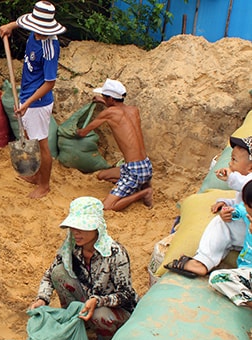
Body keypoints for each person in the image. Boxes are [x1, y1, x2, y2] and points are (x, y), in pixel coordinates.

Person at [29, 196, 137, 340]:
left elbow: (126, 295)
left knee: (100, 316)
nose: (76, 232)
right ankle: (78, 326)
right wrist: (42, 299)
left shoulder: (114, 253)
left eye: (82, 227)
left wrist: (97, 301)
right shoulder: (71, 248)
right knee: (59, 273)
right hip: (87, 302)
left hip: (113, 310)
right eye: (73, 227)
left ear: (96, 228)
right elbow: (49, 274)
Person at [0, 1, 65, 199]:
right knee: (31, 138)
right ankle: (36, 175)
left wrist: (27, 104)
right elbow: (25, 20)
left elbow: (49, 83)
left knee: (41, 144)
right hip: (27, 95)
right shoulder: (35, 30)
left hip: (38, 102)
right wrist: (10, 26)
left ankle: (44, 185)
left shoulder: (49, 48)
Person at [165, 136, 252, 278]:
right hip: (245, 233)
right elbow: (243, 200)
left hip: (247, 231)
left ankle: (202, 261)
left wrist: (231, 178)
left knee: (220, 225)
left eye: (234, 160)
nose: (230, 164)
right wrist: (227, 204)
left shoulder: (247, 181)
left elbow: (246, 186)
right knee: (223, 234)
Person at [76, 79, 152, 211]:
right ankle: (140, 185)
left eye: (105, 97)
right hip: (146, 165)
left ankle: (144, 193)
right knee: (102, 176)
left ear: (111, 99)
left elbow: (83, 133)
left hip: (133, 171)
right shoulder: (134, 110)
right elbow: (119, 112)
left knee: (107, 206)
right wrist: (103, 100)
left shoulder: (108, 113)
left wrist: (76, 132)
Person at [208, 179, 252, 308]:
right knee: (217, 277)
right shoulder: (247, 212)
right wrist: (226, 212)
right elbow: (236, 211)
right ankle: (249, 301)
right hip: (245, 273)